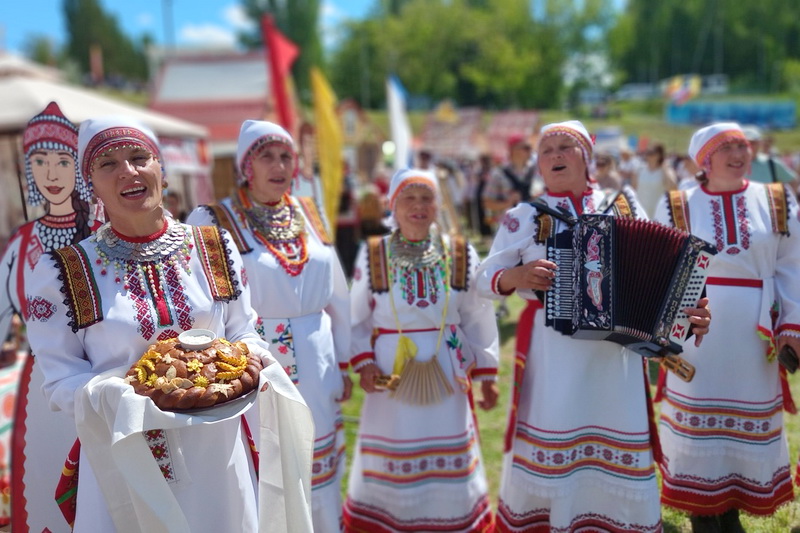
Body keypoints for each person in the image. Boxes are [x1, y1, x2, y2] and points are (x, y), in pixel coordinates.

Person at [24, 116, 314, 532]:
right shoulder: (63, 272)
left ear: (160, 167)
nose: (128, 171)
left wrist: (251, 360)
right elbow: (60, 380)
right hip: (127, 455)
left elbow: (242, 331)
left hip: (216, 452)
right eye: (108, 164)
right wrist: (120, 396)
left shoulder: (214, 246)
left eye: (139, 157)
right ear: (90, 185)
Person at [476, 120, 710, 532]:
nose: (555, 155)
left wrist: (689, 315)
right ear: (538, 165)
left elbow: (663, 272)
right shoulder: (525, 216)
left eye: (565, 147)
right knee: (559, 441)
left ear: (587, 159)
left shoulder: (623, 204)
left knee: (613, 439)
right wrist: (517, 276)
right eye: (546, 150)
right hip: (554, 354)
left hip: (615, 358)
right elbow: (483, 278)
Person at [187, 119, 351, 532]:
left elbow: (339, 294)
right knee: (265, 466)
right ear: (247, 166)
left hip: (317, 357)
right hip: (253, 362)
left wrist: (347, 360)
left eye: (285, 157)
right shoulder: (213, 220)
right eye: (266, 157)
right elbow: (200, 300)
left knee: (317, 466)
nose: (279, 166)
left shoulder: (308, 212)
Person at [654, 122, 800, 531]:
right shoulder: (678, 204)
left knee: (742, 423)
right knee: (699, 423)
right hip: (696, 334)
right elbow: (660, 268)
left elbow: (792, 265)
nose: (739, 154)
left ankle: (731, 511)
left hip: (755, 336)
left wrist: (792, 324)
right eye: (727, 148)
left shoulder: (776, 198)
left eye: (743, 146)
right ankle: (703, 513)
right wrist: (671, 324)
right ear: (705, 160)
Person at [344, 168, 500, 532]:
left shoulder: (459, 252)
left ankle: (451, 520)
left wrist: (487, 373)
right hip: (392, 372)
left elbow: (477, 314)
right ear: (392, 206)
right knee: (395, 447)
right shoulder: (374, 254)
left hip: (448, 369)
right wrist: (364, 363)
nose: (418, 206)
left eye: (426, 198)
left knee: (448, 447)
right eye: (408, 198)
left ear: (438, 204)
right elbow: (355, 317)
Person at [0, 102, 100, 531]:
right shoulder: (21, 244)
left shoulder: (102, 235)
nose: (51, 173)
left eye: (62, 160)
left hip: (105, 373)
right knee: (46, 484)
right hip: (44, 383)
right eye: (39, 161)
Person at [743, 126, 799, 193]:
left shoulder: (771, 163)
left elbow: (793, 182)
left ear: (760, 143)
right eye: (746, 143)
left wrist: (784, 197)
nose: (750, 146)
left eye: (753, 143)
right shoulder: (735, 165)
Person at [635, 142, 677, 217]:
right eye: (647, 152)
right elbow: (634, 189)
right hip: (641, 212)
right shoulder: (640, 169)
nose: (649, 155)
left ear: (659, 155)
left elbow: (673, 187)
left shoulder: (666, 170)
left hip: (658, 213)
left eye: (652, 153)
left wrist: (665, 168)